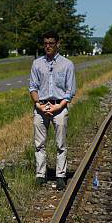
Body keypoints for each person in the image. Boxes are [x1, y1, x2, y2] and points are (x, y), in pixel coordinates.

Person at [28, 31, 76, 190]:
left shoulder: (67, 64)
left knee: (60, 144)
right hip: (41, 106)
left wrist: (59, 106)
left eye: (51, 43)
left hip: (59, 107)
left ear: (57, 44)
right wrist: (38, 104)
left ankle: (60, 175)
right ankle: (40, 174)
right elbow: (33, 87)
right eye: (45, 43)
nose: (48, 46)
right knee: (39, 143)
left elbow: (70, 91)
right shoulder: (37, 64)